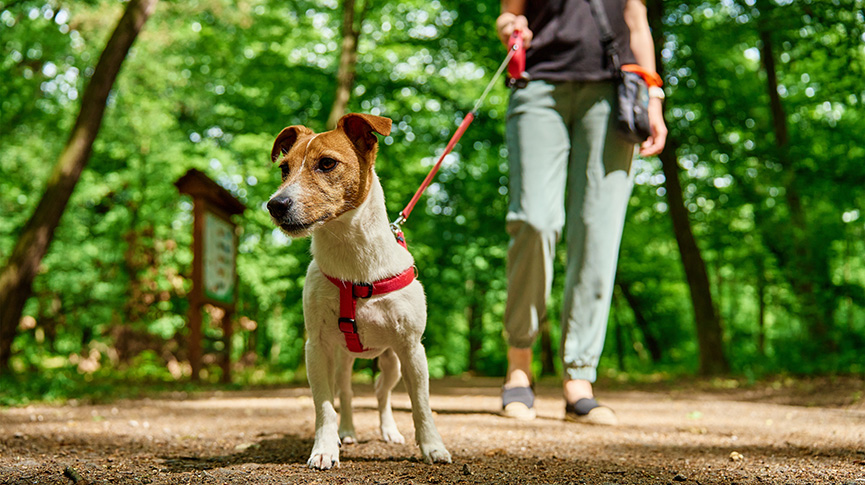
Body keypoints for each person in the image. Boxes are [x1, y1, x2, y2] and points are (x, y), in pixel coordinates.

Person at [496, 0, 667, 424]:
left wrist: (654, 96)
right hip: (538, 84)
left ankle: (579, 378)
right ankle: (519, 366)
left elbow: (636, 22)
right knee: (534, 220)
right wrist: (511, 28)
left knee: (597, 230)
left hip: (614, 89)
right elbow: (508, 13)